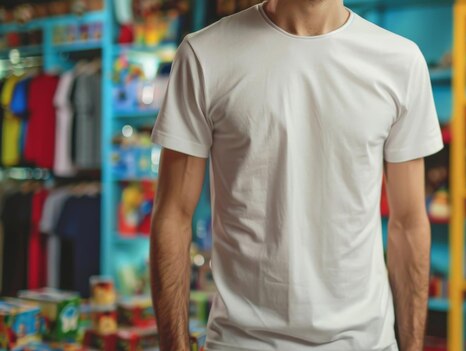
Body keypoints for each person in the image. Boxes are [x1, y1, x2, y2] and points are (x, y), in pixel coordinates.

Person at [149, 0, 443, 350]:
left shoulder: (400, 62)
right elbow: (173, 215)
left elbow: (409, 223)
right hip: (242, 342)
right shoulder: (204, 55)